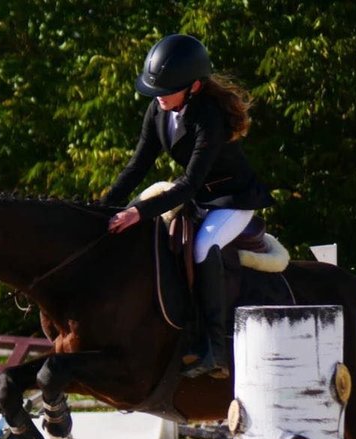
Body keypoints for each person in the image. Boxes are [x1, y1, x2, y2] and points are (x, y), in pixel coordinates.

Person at [103, 34, 272, 380]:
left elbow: (189, 183)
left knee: (201, 245)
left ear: (194, 86)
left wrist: (138, 212)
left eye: (167, 90)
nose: (159, 97)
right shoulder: (159, 109)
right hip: (198, 198)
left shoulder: (208, 117)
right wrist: (105, 207)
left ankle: (214, 348)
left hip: (233, 200)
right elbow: (138, 165)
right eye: (156, 91)